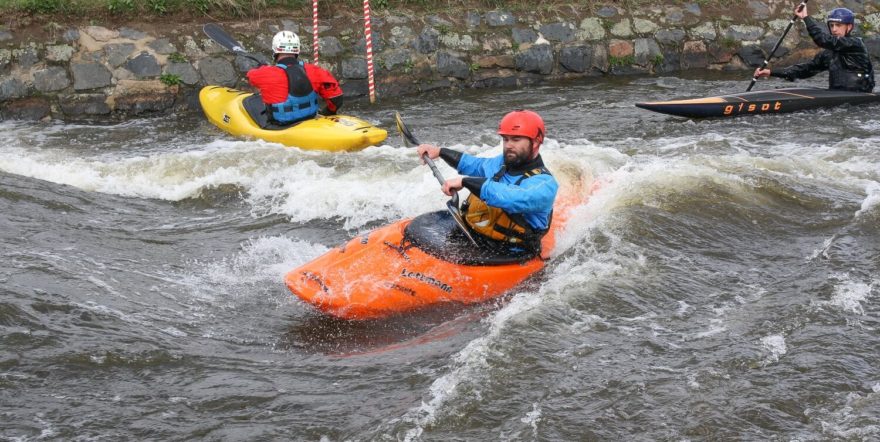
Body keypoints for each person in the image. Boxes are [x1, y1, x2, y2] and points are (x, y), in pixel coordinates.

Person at [416, 110, 559, 256]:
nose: (508, 145)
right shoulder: (502, 163)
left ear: (535, 142)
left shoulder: (545, 184)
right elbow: (476, 165)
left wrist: (465, 182)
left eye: (515, 139)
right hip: (475, 237)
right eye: (505, 139)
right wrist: (440, 151)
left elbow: (511, 197)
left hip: (509, 252)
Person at [753, 6, 874, 92]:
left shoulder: (856, 44)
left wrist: (805, 17)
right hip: (836, 98)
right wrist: (771, 72)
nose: (834, 29)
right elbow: (805, 70)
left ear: (849, 27)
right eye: (831, 25)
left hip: (859, 97)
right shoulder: (828, 55)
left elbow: (822, 40)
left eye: (838, 25)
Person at [246, 31, 344, 125]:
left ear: (275, 49)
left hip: (281, 125)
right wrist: (326, 113)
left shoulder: (265, 73)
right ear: (297, 49)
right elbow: (336, 98)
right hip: (310, 119)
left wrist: (262, 68)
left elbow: (250, 76)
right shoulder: (314, 70)